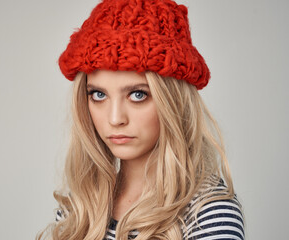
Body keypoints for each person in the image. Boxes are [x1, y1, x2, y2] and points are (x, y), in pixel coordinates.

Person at [37, 0, 245, 239]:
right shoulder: (83, 206)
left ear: (173, 101)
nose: (115, 119)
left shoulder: (208, 214)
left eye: (138, 95)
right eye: (99, 94)